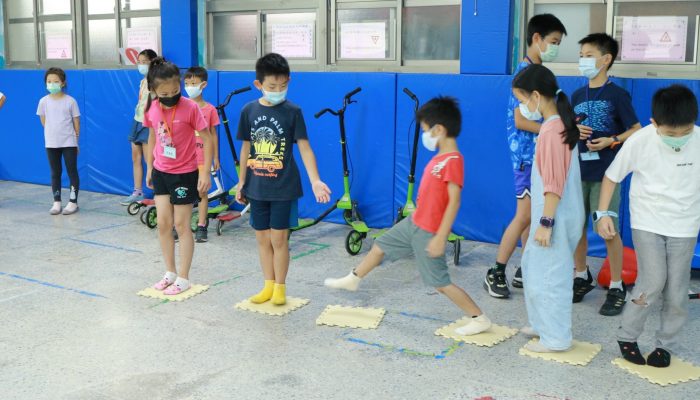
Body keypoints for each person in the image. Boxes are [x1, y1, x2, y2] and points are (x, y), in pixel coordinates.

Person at [325, 96, 493, 336]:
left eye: (425, 130)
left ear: (439, 129)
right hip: (414, 222)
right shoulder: (440, 158)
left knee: (440, 283)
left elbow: (454, 201)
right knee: (380, 246)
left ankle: (479, 318)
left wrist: (440, 237)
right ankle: (354, 278)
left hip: (429, 231)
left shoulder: (454, 161)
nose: (424, 135)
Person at [597, 85, 700, 368]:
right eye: (671, 134)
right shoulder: (640, 140)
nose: (679, 139)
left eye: (685, 131)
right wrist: (603, 214)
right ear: (654, 123)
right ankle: (628, 336)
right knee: (652, 281)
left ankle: (665, 344)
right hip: (648, 220)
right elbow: (611, 177)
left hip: (685, 224)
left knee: (677, 290)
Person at [235, 53, 330, 306]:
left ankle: (280, 287)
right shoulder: (248, 110)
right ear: (259, 85)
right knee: (262, 239)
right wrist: (241, 181)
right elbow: (246, 149)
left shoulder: (293, 111)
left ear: (289, 81)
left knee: (279, 239)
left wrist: (315, 180)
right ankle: (267, 284)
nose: (278, 91)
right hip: (256, 187)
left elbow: (305, 148)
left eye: (283, 86)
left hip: (283, 187)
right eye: (272, 86)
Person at [485, 14, 567, 299]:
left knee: (530, 217)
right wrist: (553, 129)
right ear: (536, 38)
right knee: (524, 216)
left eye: (558, 43)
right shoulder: (524, 74)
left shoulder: (539, 72)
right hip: (526, 157)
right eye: (553, 41)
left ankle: (525, 267)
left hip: (538, 155)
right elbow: (520, 120)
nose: (555, 48)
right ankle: (496, 270)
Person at [513, 64, 584, 352]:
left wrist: (546, 222)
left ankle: (555, 338)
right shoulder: (554, 125)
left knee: (550, 276)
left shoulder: (553, 130)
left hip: (554, 214)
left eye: (521, 99)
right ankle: (541, 324)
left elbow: (554, 183)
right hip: (557, 212)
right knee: (533, 266)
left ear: (535, 96)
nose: (522, 107)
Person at [571, 33, 642, 315]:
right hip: (579, 172)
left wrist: (611, 140)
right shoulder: (577, 95)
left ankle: (616, 286)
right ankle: (581, 275)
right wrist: (574, 131)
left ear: (606, 59)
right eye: (581, 56)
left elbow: (636, 129)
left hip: (606, 175)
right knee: (576, 228)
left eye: (588, 55)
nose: (583, 61)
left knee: (608, 229)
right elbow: (569, 132)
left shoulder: (618, 95)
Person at [144, 58, 212, 296]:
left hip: (184, 173)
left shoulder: (190, 108)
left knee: (182, 225)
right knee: (163, 223)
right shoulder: (152, 108)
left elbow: (207, 138)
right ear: (154, 90)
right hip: (161, 171)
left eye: (175, 91)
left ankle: (184, 277)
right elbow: (152, 136)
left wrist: (205, 172)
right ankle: (170, 272)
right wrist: (150, 167)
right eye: (164, 93)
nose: (171, 96)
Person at [36, 67, 81, 215]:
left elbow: (76, 122)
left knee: (72, 171)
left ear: (63, 83)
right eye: (49, 81)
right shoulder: (43, 102)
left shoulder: (70, 101)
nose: (52, 84)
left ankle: (73, 202)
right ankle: (57, 202)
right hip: (51, 143)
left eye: (55, 81)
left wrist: (76, 141)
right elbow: (43, 121)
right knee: (55, 172)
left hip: (69, 143)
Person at [184, 66, 221, 243]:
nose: (189, 87)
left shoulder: (210, 109)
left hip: (202, 159)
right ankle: (180, 226)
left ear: (203, 85)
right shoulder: (181, 106)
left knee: (202, 193)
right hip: (184, 160)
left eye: (193, 83)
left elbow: (213, 135)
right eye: (186, 83)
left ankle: (201, 225)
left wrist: (215, 158)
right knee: (183, 194)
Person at [122, 49, 158, 205]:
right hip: (137, 120)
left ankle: (158, 194)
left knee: (150, 160)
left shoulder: (156, 82)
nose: (141, 65)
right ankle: (138, 192)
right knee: (135, 157)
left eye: (144, 62)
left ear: (152, 63)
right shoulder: (143, 81)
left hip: (148, 124)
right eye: (139, 62)